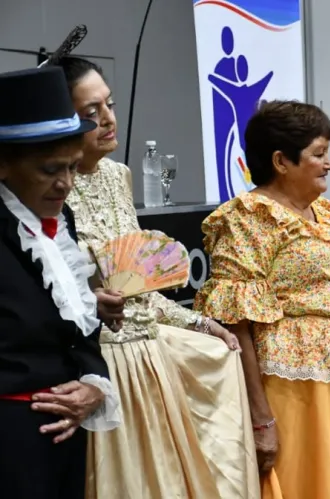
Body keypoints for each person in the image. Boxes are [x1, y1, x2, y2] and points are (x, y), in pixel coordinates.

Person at [52, 56, 256, 498]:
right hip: (97, 363)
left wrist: (200, 322)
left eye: (109, 105)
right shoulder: (48, 188)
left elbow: (141, 288)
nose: (108, 120)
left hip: (149, 361)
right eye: (91, 112)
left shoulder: (118, 176)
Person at [196, 100, 330, 499]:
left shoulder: (326, 213)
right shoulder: (249, 217)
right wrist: (260, 417)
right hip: (296, 385)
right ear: (281, 161)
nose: (329, 164)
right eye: (318, 154)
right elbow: (235, 321)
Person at [0, 66, 121, 499]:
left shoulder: (59, 219)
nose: (66, 184)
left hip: (67, 433)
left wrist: (94, 383)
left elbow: (76, 329)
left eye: (72, 167)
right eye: (51, 169)